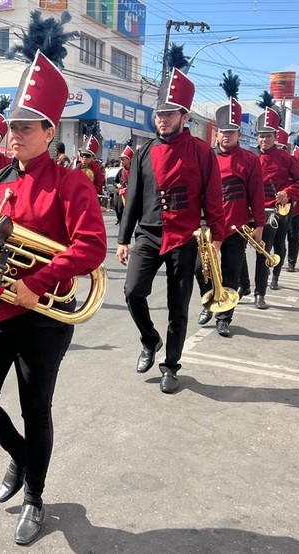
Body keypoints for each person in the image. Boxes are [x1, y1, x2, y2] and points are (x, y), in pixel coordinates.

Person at [0, 40, 106, 546]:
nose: (15, 133)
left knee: (34, 407)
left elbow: (91, 247)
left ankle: (36, 498)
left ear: (50, 130)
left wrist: (36, 283)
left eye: (26, 126)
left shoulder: (73, 183)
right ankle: (21, 457)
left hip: (43, 313)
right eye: (13, 125)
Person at [118, 47, 224, 394]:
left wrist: (217, 236)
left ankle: (171, 366)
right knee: (133, 291)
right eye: (158, 113)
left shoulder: (202, 152)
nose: (161, 119)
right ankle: (149, 340)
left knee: (179, 308)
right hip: (148, 234)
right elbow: (132, 197)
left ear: (183, 115)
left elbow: (212, 198)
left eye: (168, 114)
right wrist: (122, 238)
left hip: (185, 237)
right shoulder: (144, 151)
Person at [196, 74, 265, 337]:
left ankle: (224, 316)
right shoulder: (206, 157)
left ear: (239, 134)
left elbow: (257, 195)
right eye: (222, 131)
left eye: (231, 132)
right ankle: (209, 301)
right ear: (217, 133)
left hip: (236, 226)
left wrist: (258, 224)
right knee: (201, 270)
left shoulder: (250, 160)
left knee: (231, 271)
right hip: (209, 226)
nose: (226, 136)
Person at [242, 115, 299, 302]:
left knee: (263, 251)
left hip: (270, 210)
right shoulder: (248, 156)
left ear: (275, 137)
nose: (264, 139)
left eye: (268, 136)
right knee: (236, 250)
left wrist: (288, 192)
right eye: (261, 136)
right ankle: (244, 285)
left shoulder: (284, 158)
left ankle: (260, 293)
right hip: (245, 210)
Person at [115, 145, 133, 225]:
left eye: (123, 159)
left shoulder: (134, 171)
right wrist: (117, 185)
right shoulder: (121, 171)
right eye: (121, 159)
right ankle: (120, 221)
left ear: (129, 160)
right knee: (118, 209)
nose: (121, 161)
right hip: (121, 194)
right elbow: (114, 182)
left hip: (131, 194)